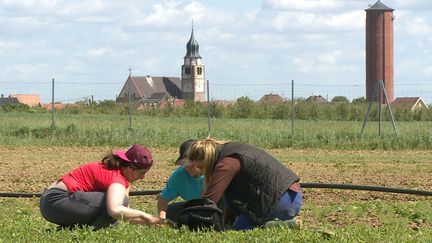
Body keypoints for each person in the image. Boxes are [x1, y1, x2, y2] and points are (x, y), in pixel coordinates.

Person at [185, 138, 302, 230]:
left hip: (282, 201)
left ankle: (275, 225)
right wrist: (226, 225)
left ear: (207, 160)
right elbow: (232, 201)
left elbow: (209, 201)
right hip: (291, 195)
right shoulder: (230, 152)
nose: (202, 171)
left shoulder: (225, 166)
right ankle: (281, 224)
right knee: (234, 227)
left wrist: (189, 223)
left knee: (239, 232)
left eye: (201, 167)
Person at [40, 144, 164, 230]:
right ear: (130, 168)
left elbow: (124, 215)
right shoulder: (117, 179)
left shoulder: (119, 174)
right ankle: (89, 233)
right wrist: (144, 214)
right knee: (120, 204)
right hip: (56, 201)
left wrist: (152, 221)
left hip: (50, 202)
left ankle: (68, 232)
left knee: (120, 207)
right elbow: (115, 210)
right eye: (142, 173)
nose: (143, 178)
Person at [157, 139, 204, 223]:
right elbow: (163, 199)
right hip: (195, 207)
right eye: (184, 163)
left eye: (190, 163)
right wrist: (162, 219)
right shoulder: (179, 175)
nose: (186, 167)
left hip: (217, 206)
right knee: (170, 211)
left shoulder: (214, 172)